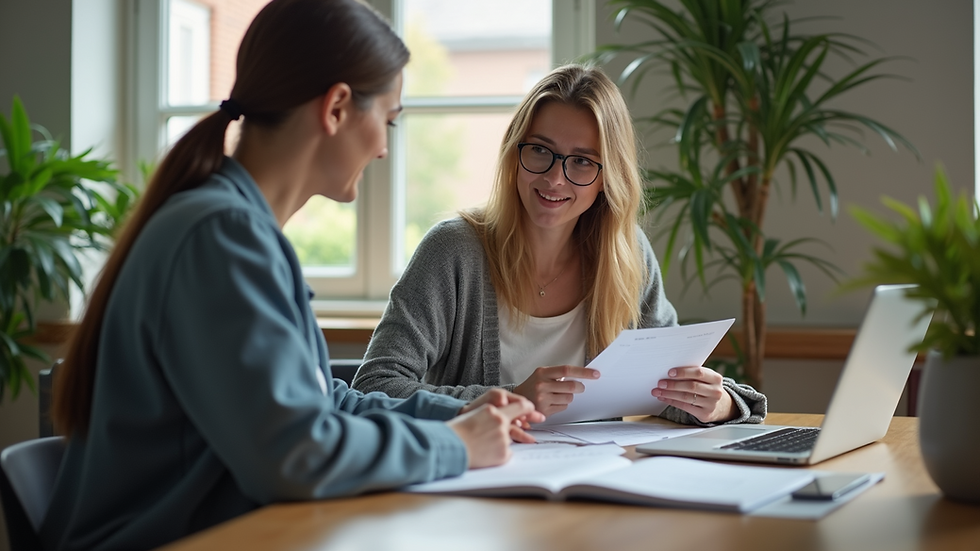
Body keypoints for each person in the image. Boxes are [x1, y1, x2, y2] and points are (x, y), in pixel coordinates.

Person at [42, 1, 542, 549]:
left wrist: (460, 413)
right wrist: (457, 447)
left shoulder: (237, 226)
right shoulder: (221, 236)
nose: (382, 149)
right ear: (336, 108)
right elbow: (294, 456)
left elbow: (322, 402)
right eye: (389, 121)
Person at [353, 64, 766, 426]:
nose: (554, 179)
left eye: (583, 161)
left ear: (609, 176)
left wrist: (721, 404)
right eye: (540, 151)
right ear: (514, 154)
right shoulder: (453, 251)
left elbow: (664, 386)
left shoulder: (626, 255)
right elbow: (374, 387)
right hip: (476, 484)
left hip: (592, 484)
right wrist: (511, 400)